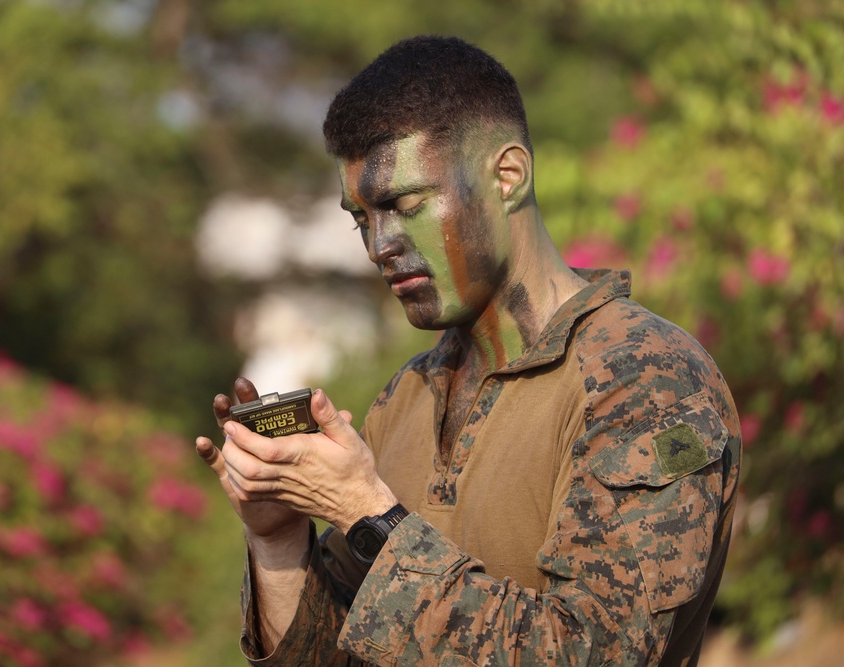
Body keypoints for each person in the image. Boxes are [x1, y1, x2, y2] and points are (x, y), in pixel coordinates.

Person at [195, 35, 740, 666]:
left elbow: (599, 654)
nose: (379, 246)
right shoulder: (405, 399)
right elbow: (328, 659)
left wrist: (368, 513)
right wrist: (280, 538)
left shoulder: (646, 378)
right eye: (362, 219)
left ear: (507, 176)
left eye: (404, 205)